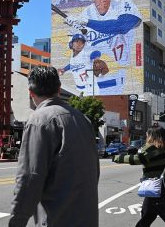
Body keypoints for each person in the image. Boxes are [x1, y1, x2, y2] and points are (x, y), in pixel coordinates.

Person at [9, 67, 99, 227]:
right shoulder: (83, 119)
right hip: (87, 218)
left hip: (57, 219)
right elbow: (94, 170)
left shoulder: (39, 120)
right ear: (59, 89)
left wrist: (16, 222)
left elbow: (30, 178)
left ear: (31, 92)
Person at [66, 0, 142, 95]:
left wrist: (86, 23)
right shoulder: (84, 15)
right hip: (89, 85)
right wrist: (74, 31)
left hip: (116, 83)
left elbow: (121, 26)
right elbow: (76, 53)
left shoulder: (124, 5)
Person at [113, 126, 165, 227]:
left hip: (156, 185)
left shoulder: (152, 147)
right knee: (147, 214)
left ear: (152, 135)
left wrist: (116, 157)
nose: (146, 135)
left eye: (147, 133)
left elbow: (139, 159)